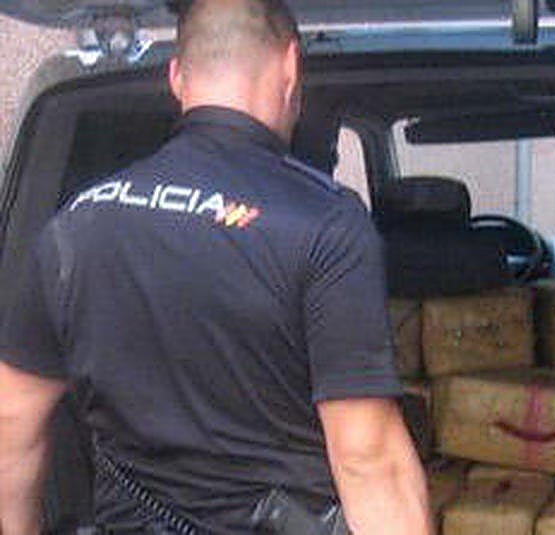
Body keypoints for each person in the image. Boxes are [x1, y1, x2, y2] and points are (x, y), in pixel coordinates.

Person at [0, 0, 431, 533]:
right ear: (291, 66)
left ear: (176, 78)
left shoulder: (75, 225)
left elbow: (12, 421)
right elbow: (367, 460)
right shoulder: (326, 224)